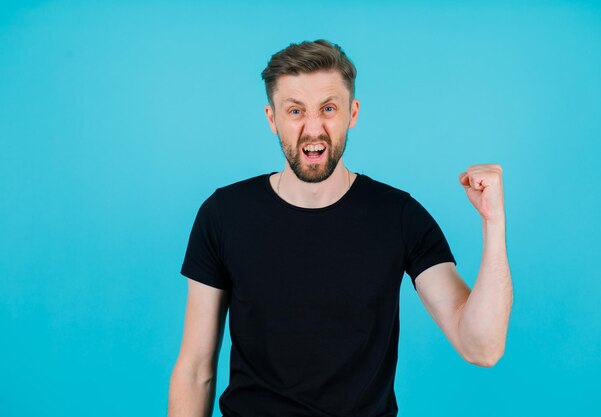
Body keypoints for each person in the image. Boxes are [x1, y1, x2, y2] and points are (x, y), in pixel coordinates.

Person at [168, 39, 513, 417]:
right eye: (295, 110)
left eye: (328, 108)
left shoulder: (399, 215)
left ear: (352, 113)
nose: (313, 129)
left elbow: (481, 347)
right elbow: (196, 370)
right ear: (272, 118)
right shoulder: (223, 214)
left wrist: (493, 224)